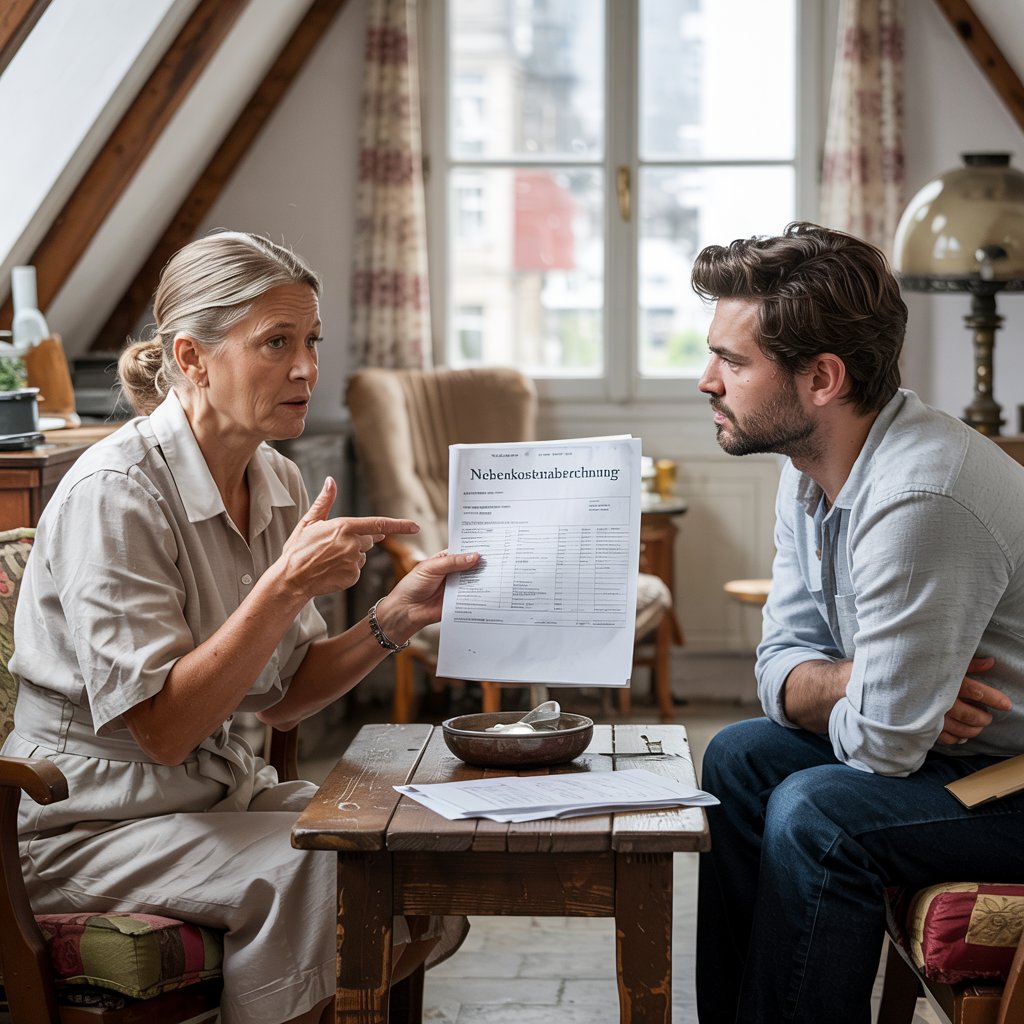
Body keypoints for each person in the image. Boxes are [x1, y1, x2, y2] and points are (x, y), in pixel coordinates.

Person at [0, 230, 480, 1024]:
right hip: (86, 822)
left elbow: (283, 698)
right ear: (191, 358)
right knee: (333, 874)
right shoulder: (116, 494)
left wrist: (393, 619)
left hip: (211, 796)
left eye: (312, 341)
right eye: (277, 343)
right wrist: (285, 585)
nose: (305, 367)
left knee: (407, 849)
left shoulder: (278, 477)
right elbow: (161, 730)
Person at [691, 222, 1024, 1023]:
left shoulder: (920, 497)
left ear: (822, 379)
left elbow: (881, 745)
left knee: (819, 814)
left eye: (733, 362)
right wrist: (862, 681)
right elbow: (778, 667)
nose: (706, 381)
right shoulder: (811, 471)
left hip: (1014, 779)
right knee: (738, 757)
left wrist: (877, 700)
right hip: (965, 758)